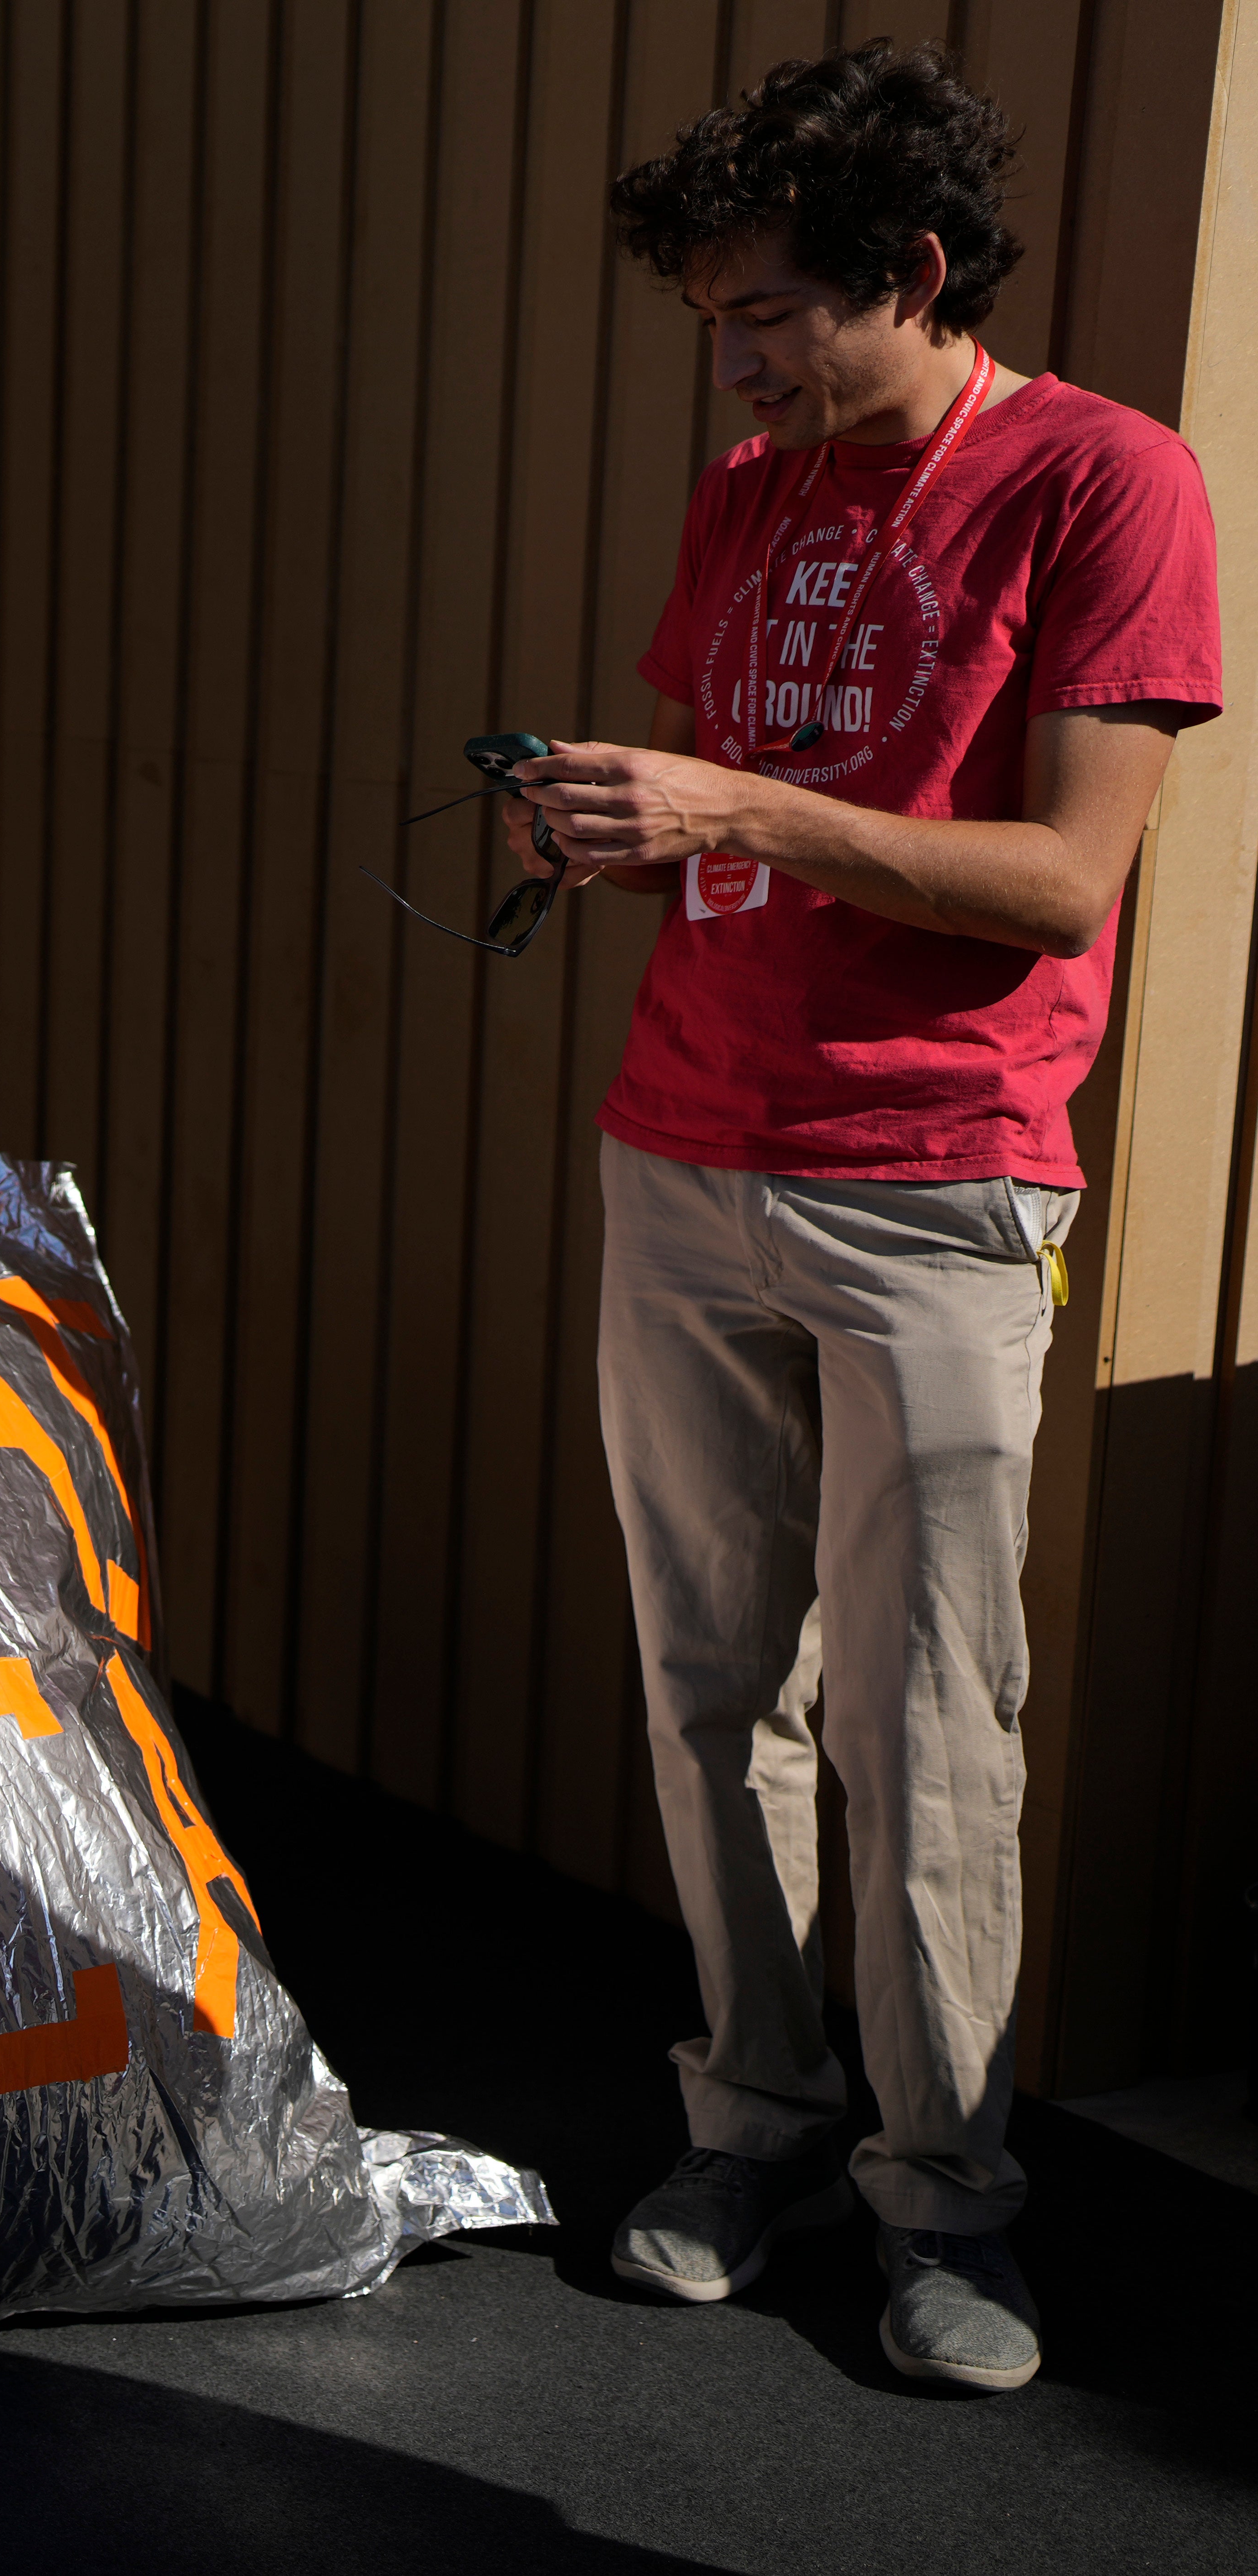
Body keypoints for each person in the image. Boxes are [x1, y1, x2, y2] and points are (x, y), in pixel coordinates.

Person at [512, 41, 1219, 2394]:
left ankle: (951, 2203)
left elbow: (1056, 881)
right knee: (711, 1687)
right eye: (712, 319)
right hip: (680, 1144)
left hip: (932, 1181)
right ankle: (750, 2122)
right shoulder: (749, 490)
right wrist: (620, 828)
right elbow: (739, 812)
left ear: (909, 274)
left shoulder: (1102, 479)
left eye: (767, 313)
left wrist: (736, 798)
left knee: (931, 1717)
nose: (731, 364)